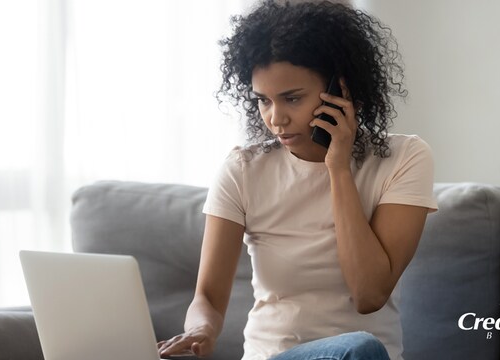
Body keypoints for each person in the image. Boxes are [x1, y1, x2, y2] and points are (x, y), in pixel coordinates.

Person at [158, 0, 438, 359]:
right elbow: (208, 298)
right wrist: (201, 330)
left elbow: (369, 294)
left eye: (292, 98)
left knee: (360, 348)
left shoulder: (404, 159)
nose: (276, 119)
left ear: (340, 90)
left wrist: (338, 168)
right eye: (263, 100)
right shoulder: (243, 170)